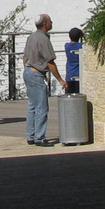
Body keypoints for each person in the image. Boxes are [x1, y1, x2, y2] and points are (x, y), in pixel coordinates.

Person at [22, 14, 66, 146]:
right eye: (50, 21)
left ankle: (31, 135)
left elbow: (25, 57)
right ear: (45, 24)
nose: (52, 22)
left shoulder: (31, 37)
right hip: (36, 74)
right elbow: (50, 62)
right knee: (41, 107)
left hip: (28, 72)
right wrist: (60, 80)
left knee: (32, 106)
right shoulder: (43, 39)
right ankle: (39, 137)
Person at [64, 27, 84, 95]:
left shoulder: (67, 46)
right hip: (79, 74)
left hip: (69, 74)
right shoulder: (81, 46)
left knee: (69, 95)